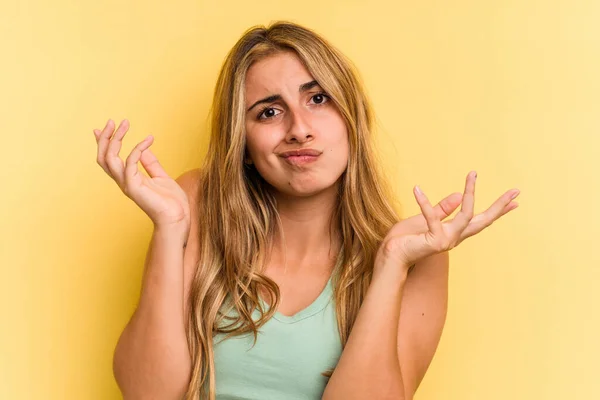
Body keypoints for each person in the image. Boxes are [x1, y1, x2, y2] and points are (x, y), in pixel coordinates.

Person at [93, 21, 520, 400]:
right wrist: (170, 230)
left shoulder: (416, 254)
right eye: (269, 112)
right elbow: (147, 393)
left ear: (352, 118)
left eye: (318, 99)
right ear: (242, 144)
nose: (299, 129)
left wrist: (390, 264)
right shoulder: (197, 202)